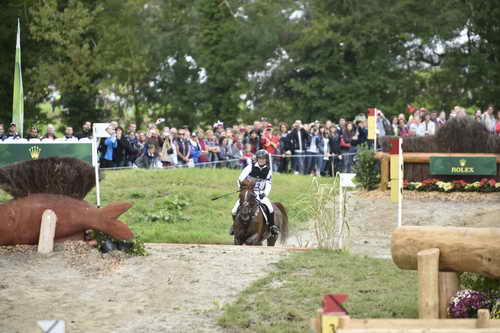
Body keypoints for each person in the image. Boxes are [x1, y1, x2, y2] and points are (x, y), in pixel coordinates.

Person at [230, 149, 279, 236]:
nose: (261, 160)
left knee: (270, 208)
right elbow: (240, 179)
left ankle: (272, 227)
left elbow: (268, 184)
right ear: (257, 159)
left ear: (266, 160)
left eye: (263, 159)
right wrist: (243, 189)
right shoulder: (250, 167)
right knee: (234, 210)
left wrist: (264, 193)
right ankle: (234, 226)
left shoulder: (268, 170)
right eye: (260, 158)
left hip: (260, 193)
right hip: (248, 192)